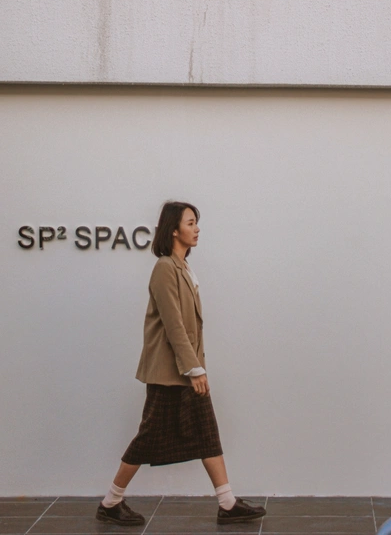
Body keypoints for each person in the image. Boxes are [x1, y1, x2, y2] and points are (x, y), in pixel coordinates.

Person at [96, 200, 266, 527]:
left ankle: (227, 503)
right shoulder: (164, 268)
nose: (197, 229)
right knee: (148, 437)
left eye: (196, 223)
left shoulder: (183, 267)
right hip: (171, 373)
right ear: (173, 230)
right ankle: (111, 502)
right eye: (190, 223)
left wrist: (196, 366)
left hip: (186, 370)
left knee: (207, 433)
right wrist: (194, 368)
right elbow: (174, 325)